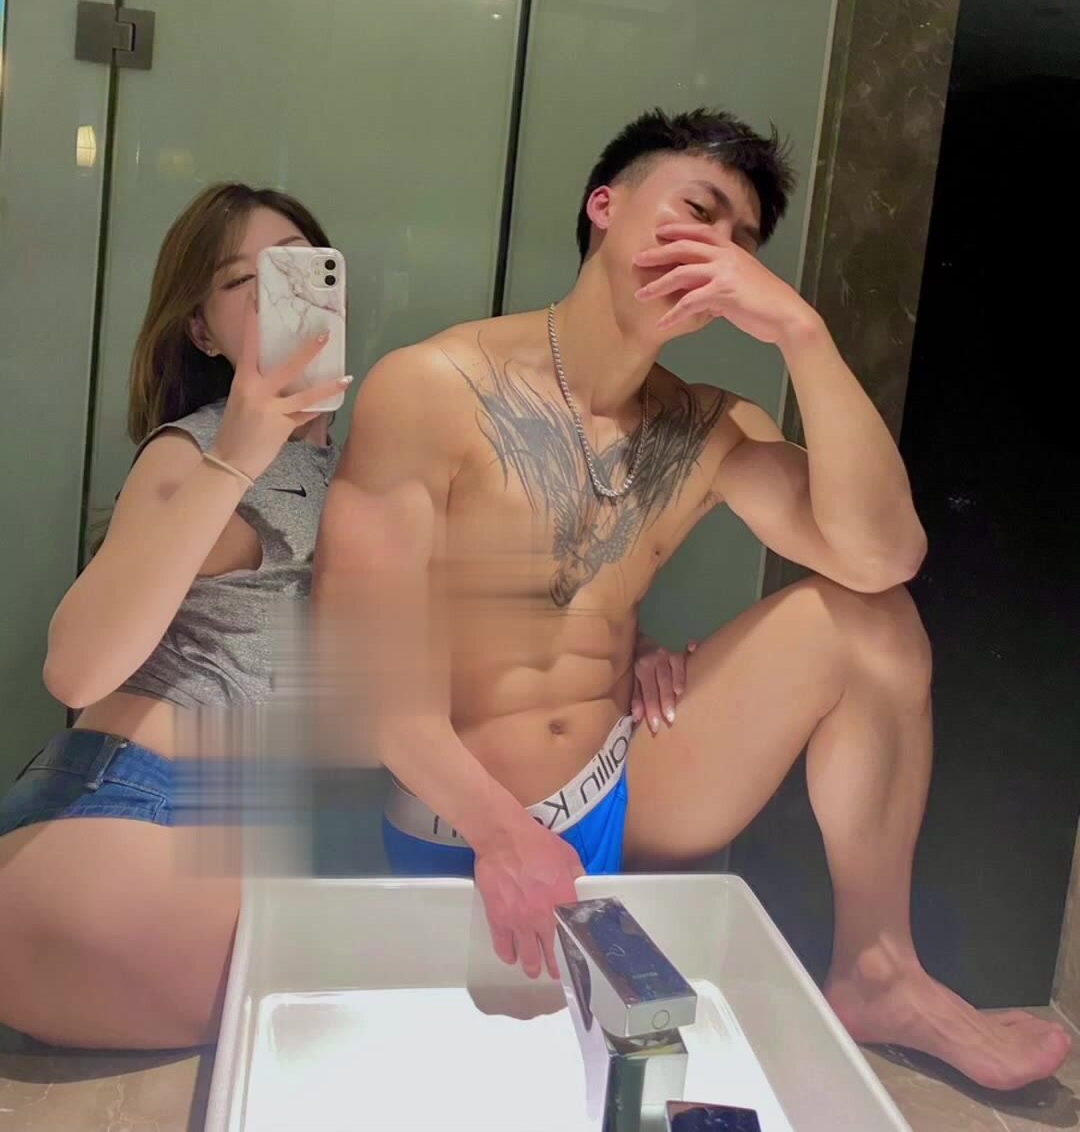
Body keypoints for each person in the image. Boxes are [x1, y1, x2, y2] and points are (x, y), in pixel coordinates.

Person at [315, 108, 1071, 1092]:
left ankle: (880, 972)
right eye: (698, 212)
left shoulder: (707, 427)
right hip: (457, 816)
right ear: (605, 207)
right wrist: (504, 833)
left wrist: (803, 334)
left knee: (871, 623)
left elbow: (885, 554)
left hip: (621, 786)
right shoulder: (433, 388)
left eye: (743, 242)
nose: (720, 252)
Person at [0, 183, 350, 1049]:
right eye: (239, 281)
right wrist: (235, 458)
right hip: (131, 814)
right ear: (202, 330)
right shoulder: (190, 450)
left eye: (292, 270)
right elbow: (76, 670)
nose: (270, 296)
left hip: (224, 836)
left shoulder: (356, 462)